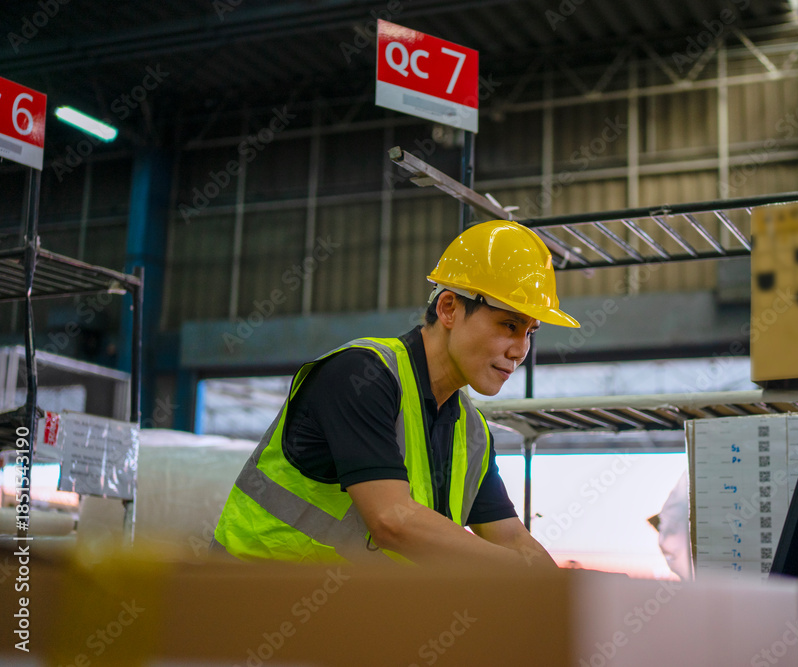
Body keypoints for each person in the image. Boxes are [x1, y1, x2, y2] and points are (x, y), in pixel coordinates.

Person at [212, 220, 579, 567]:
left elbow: (511, 537)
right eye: (509, 325)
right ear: (449, 309)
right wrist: (515, 572)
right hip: (245, 599)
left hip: (340, 610)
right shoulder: (360, 376)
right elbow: (392, 521)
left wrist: (565, 593)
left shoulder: (472, 433)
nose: (520, 350)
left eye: (530, 332)